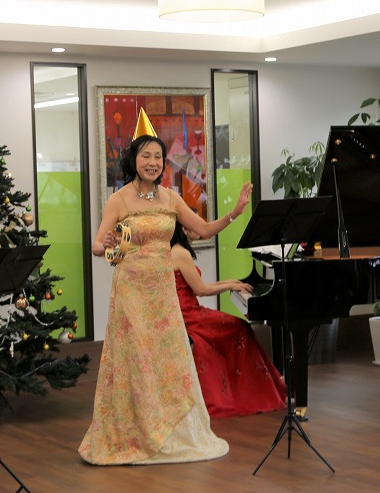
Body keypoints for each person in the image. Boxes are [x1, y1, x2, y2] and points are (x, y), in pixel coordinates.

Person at [78, 108, 252, 465]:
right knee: (136, 359)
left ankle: (170, 429)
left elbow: (203, 230)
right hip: (130, 291)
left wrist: (235, 212)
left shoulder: (171, 198)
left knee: (168, 360)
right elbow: (98, 245)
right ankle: (136, 431)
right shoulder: (119, 199)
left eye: (158, 157)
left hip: (162, 292)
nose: (153, 163)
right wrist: (106, 244)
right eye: (146, 156)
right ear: (134, 160)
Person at [170, 221, 287, 418]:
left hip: (189, 311)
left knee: (239, 327)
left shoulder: (179, 250)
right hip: (189, 316)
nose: (201, 228)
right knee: (240, 327)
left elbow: (199, 287)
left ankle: (249, 389)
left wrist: (231, 282)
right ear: (184, 229)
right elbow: (201, 290)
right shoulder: (180, 253)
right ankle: (251, 393)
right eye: (196, 225)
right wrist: (230, 286)